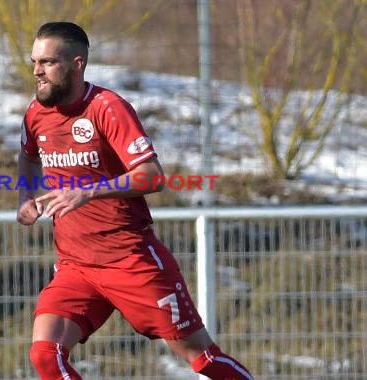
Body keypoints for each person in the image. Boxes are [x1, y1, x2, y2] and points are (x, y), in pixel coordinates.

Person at [16, 21, 254, 380]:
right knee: (45, 355)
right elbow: (28, 156)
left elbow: (153, 175)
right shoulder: (37, 112)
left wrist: (88, 191)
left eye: (48, 62)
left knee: (202, 358)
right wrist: (26, 197)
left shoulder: (107, 108)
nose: (37, 71)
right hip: (76, 266)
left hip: (132, 262)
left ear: (77, 64)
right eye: (35, 62)